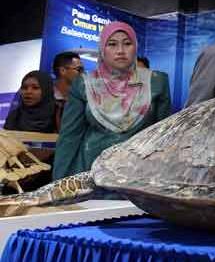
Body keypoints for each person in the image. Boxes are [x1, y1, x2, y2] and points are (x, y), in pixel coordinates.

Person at [52, 21, 171, 180]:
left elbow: (165, 138)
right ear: (102, 49)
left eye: (127, 44)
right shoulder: (84, 84)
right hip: (92, 173)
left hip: (141, 176)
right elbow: (69, 137)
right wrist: (59, 184)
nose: (120, 51)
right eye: (112, 44)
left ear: (135, 47)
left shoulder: (156, 82)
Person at [52, 51, 83, 131]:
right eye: (79, 70)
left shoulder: (82, 99)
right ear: (62, 71)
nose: (83, 74)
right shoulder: (45, 95)